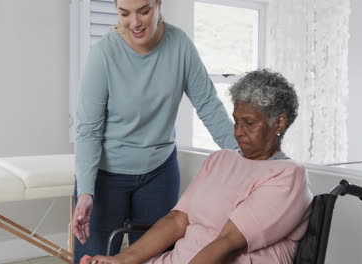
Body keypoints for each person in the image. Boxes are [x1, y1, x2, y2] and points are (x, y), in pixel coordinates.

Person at [82, 69, 314, 264]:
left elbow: (228, 243)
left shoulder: (288, 176)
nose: (238, 131)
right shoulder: (220, 160)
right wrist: (121, 260)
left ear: (279, 123)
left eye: (249, 123)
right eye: (236, 121)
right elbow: (177, 221)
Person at [72, 0, 237, 262]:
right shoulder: (103, 54)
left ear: (159, 4)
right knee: (92, 259)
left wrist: (244, 155)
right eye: (124, 13)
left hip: (159, 174)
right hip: (106, 177)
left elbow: (208, 106)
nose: (135, 22)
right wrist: (85, 192)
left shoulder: (180, 45)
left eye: (144, 11)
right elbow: (88, 130)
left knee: (156, 259)